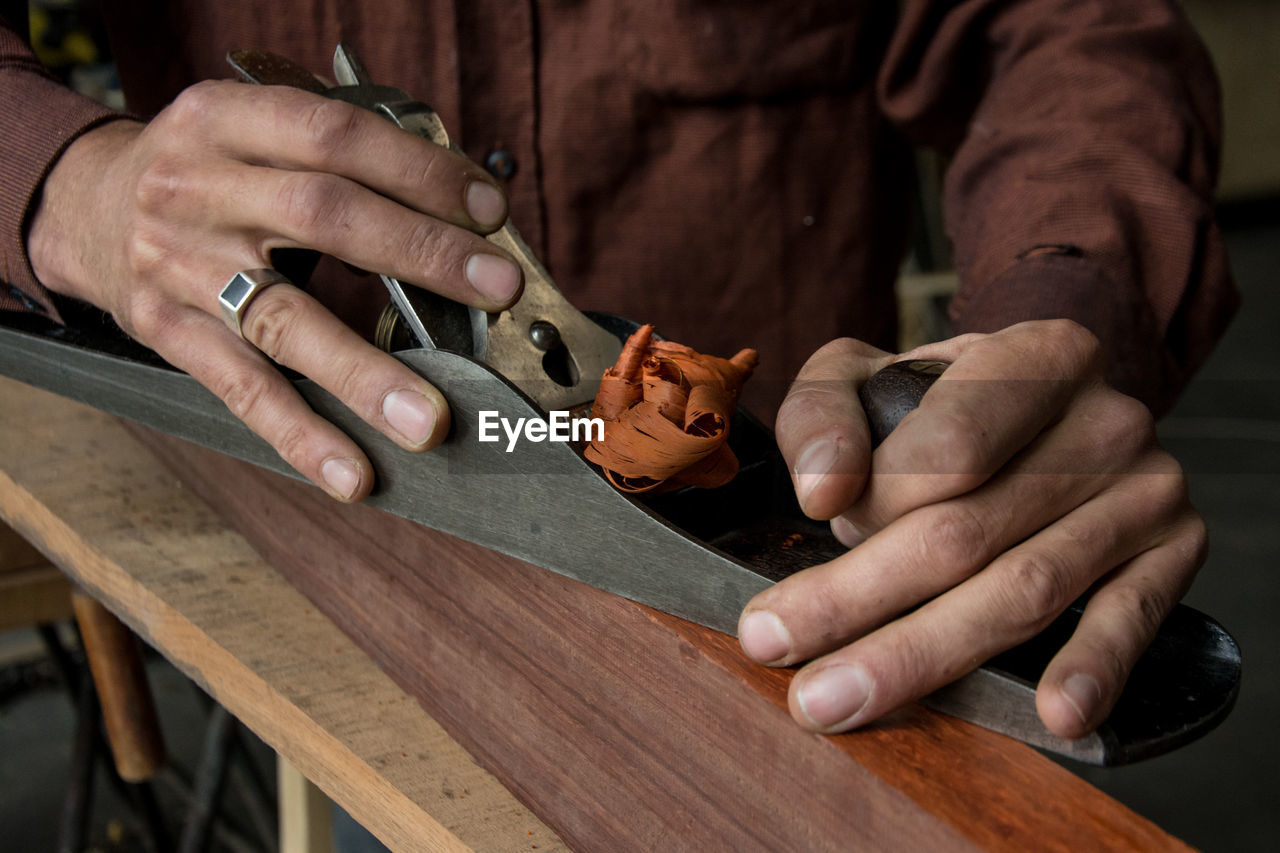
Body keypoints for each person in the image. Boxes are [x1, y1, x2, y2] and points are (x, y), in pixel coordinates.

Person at [1, 1, 1237, 741]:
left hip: (783, 514)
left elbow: (1064, 30)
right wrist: (63, 178)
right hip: (318, 565)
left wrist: (1060, 299)